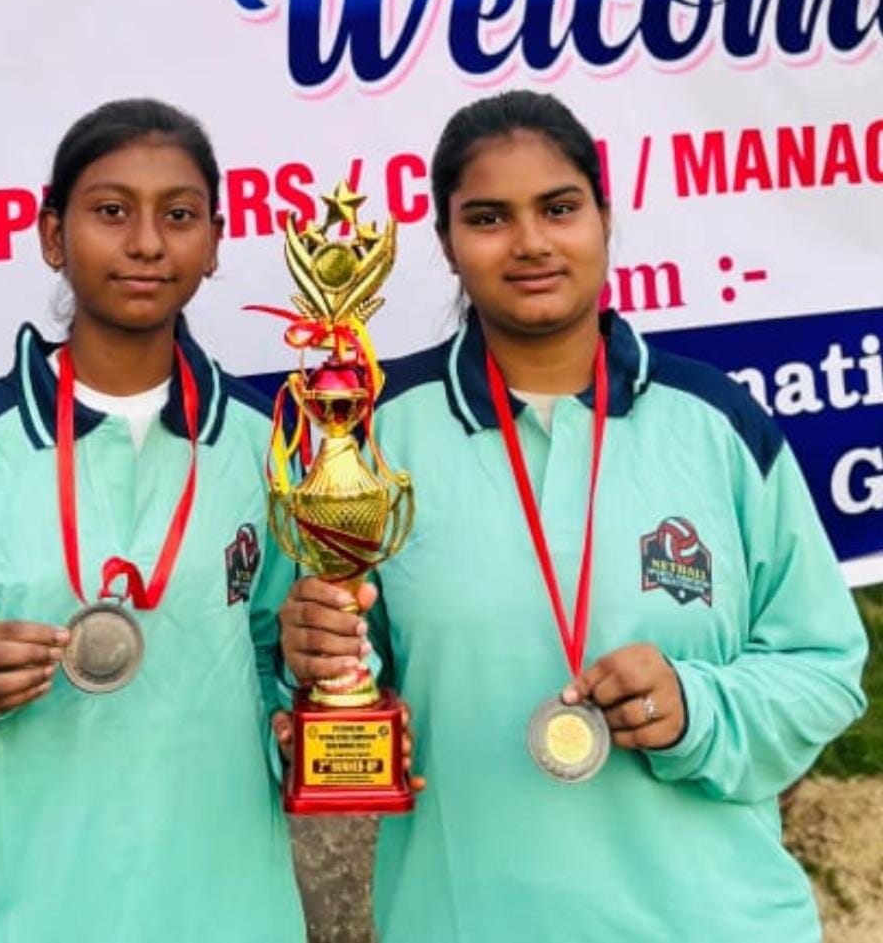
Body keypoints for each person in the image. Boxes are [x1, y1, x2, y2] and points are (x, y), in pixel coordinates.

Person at [278, 90, 868, 942]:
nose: (530, 242)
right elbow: (318, 681)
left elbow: (824, 664)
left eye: (559, 207)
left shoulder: (715, 421)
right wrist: (313, 659)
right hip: (470, 918)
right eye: (488, 217)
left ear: (604, 214)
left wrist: (697, 708)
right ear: (445, 243)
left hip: (714, 919)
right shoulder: (368, 431)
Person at [0, 98, 305, 942]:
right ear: (54, 235)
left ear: (214, 243)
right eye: (111, 210)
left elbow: (283, 659)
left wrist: (309, 708)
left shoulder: (265, 445)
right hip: (30, 910)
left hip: (229, 906)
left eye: (180, 214)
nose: (146, 243)